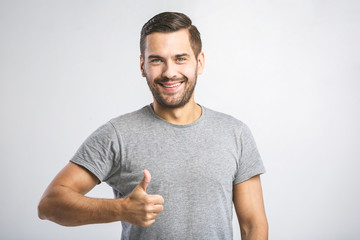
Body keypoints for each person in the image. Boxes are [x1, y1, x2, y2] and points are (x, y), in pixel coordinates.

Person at [38, 12, 268, 240]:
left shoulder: (235, 133)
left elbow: (252, 226)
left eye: (180, 58)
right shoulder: (117, 135)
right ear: (142, 66)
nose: (169, 73)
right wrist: (121, 210)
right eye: (157, 60)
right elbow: (49, 204)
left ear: (199, 63)